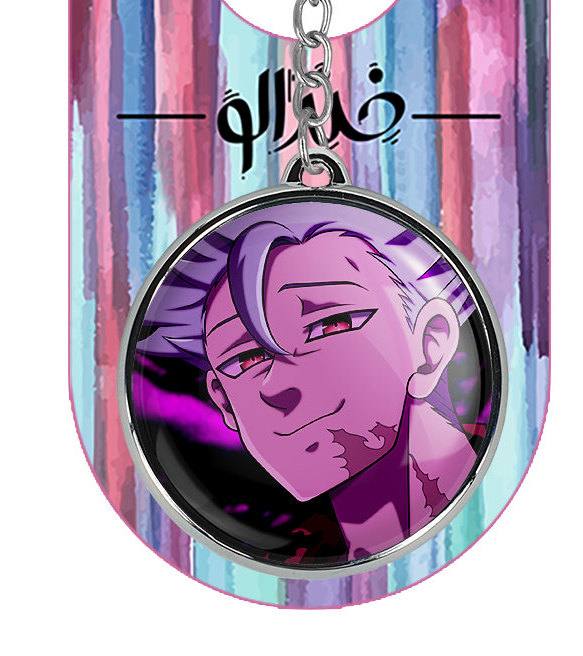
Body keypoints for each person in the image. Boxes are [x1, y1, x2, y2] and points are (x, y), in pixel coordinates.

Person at [137, 202, 480, 563]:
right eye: (247, 360)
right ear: (224, 402)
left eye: (329, 325)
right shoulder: (288, 558)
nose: (274, 387)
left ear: (429, 345)